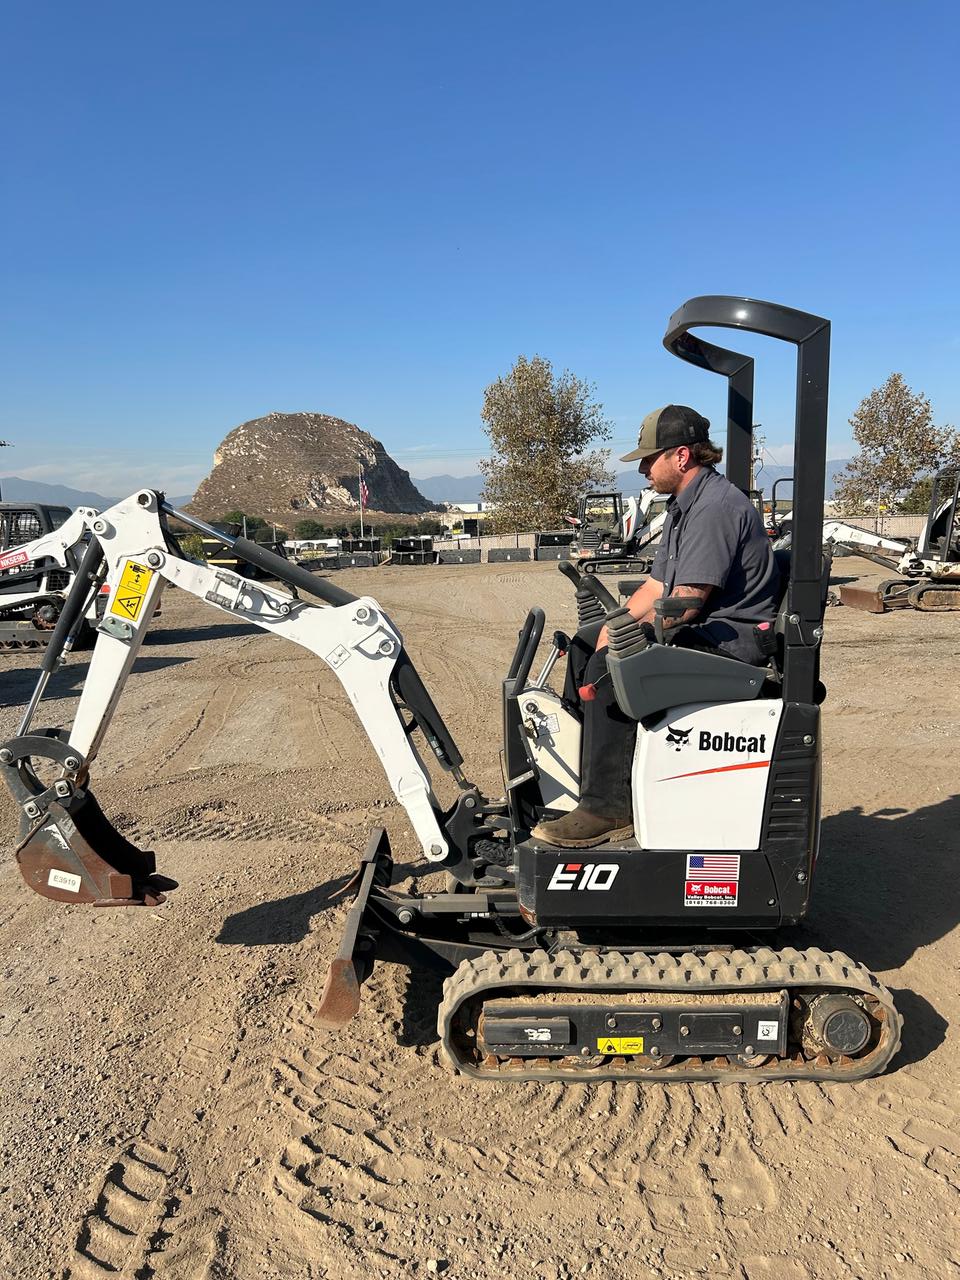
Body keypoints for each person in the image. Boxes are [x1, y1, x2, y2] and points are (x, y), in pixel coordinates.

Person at [533, 404, 780, 849]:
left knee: (610, 669)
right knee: (588, 646)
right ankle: (584, 779)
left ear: (681, 456)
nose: (643, 468)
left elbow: (686, 603)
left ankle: (608, 808)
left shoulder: (716, 508)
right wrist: (616, 622)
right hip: (704, 628)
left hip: (729, 642)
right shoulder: (685, 505)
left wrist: (629, 633)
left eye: (650, 459)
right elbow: (656, 585)